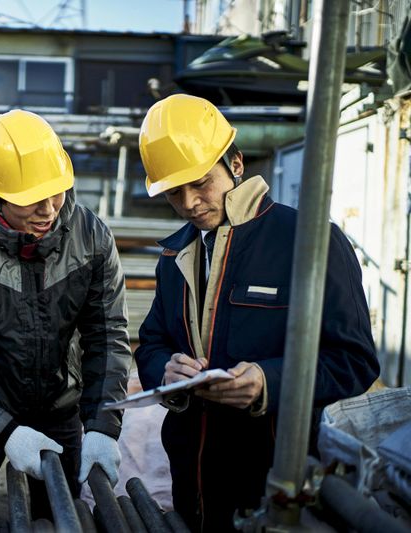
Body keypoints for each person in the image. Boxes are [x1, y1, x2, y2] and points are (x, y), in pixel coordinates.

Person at [134, 94, 380, 532]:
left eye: (200, 183)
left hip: (273, 478)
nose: (189, 203)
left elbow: (354, 361)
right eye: (174, 192)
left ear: (236, 164)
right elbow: (153, 342)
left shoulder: (310, 241)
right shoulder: (175, 255)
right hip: (192, 478)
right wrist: (166, 371)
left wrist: (269, 381)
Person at [0, 109, 131, 516]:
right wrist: (5, 429)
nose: (48, 209)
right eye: (30, 199)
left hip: (60, 410)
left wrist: (103, 425)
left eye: (56, 192)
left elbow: (107, 335)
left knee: (61, 516)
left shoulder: (91, 237)